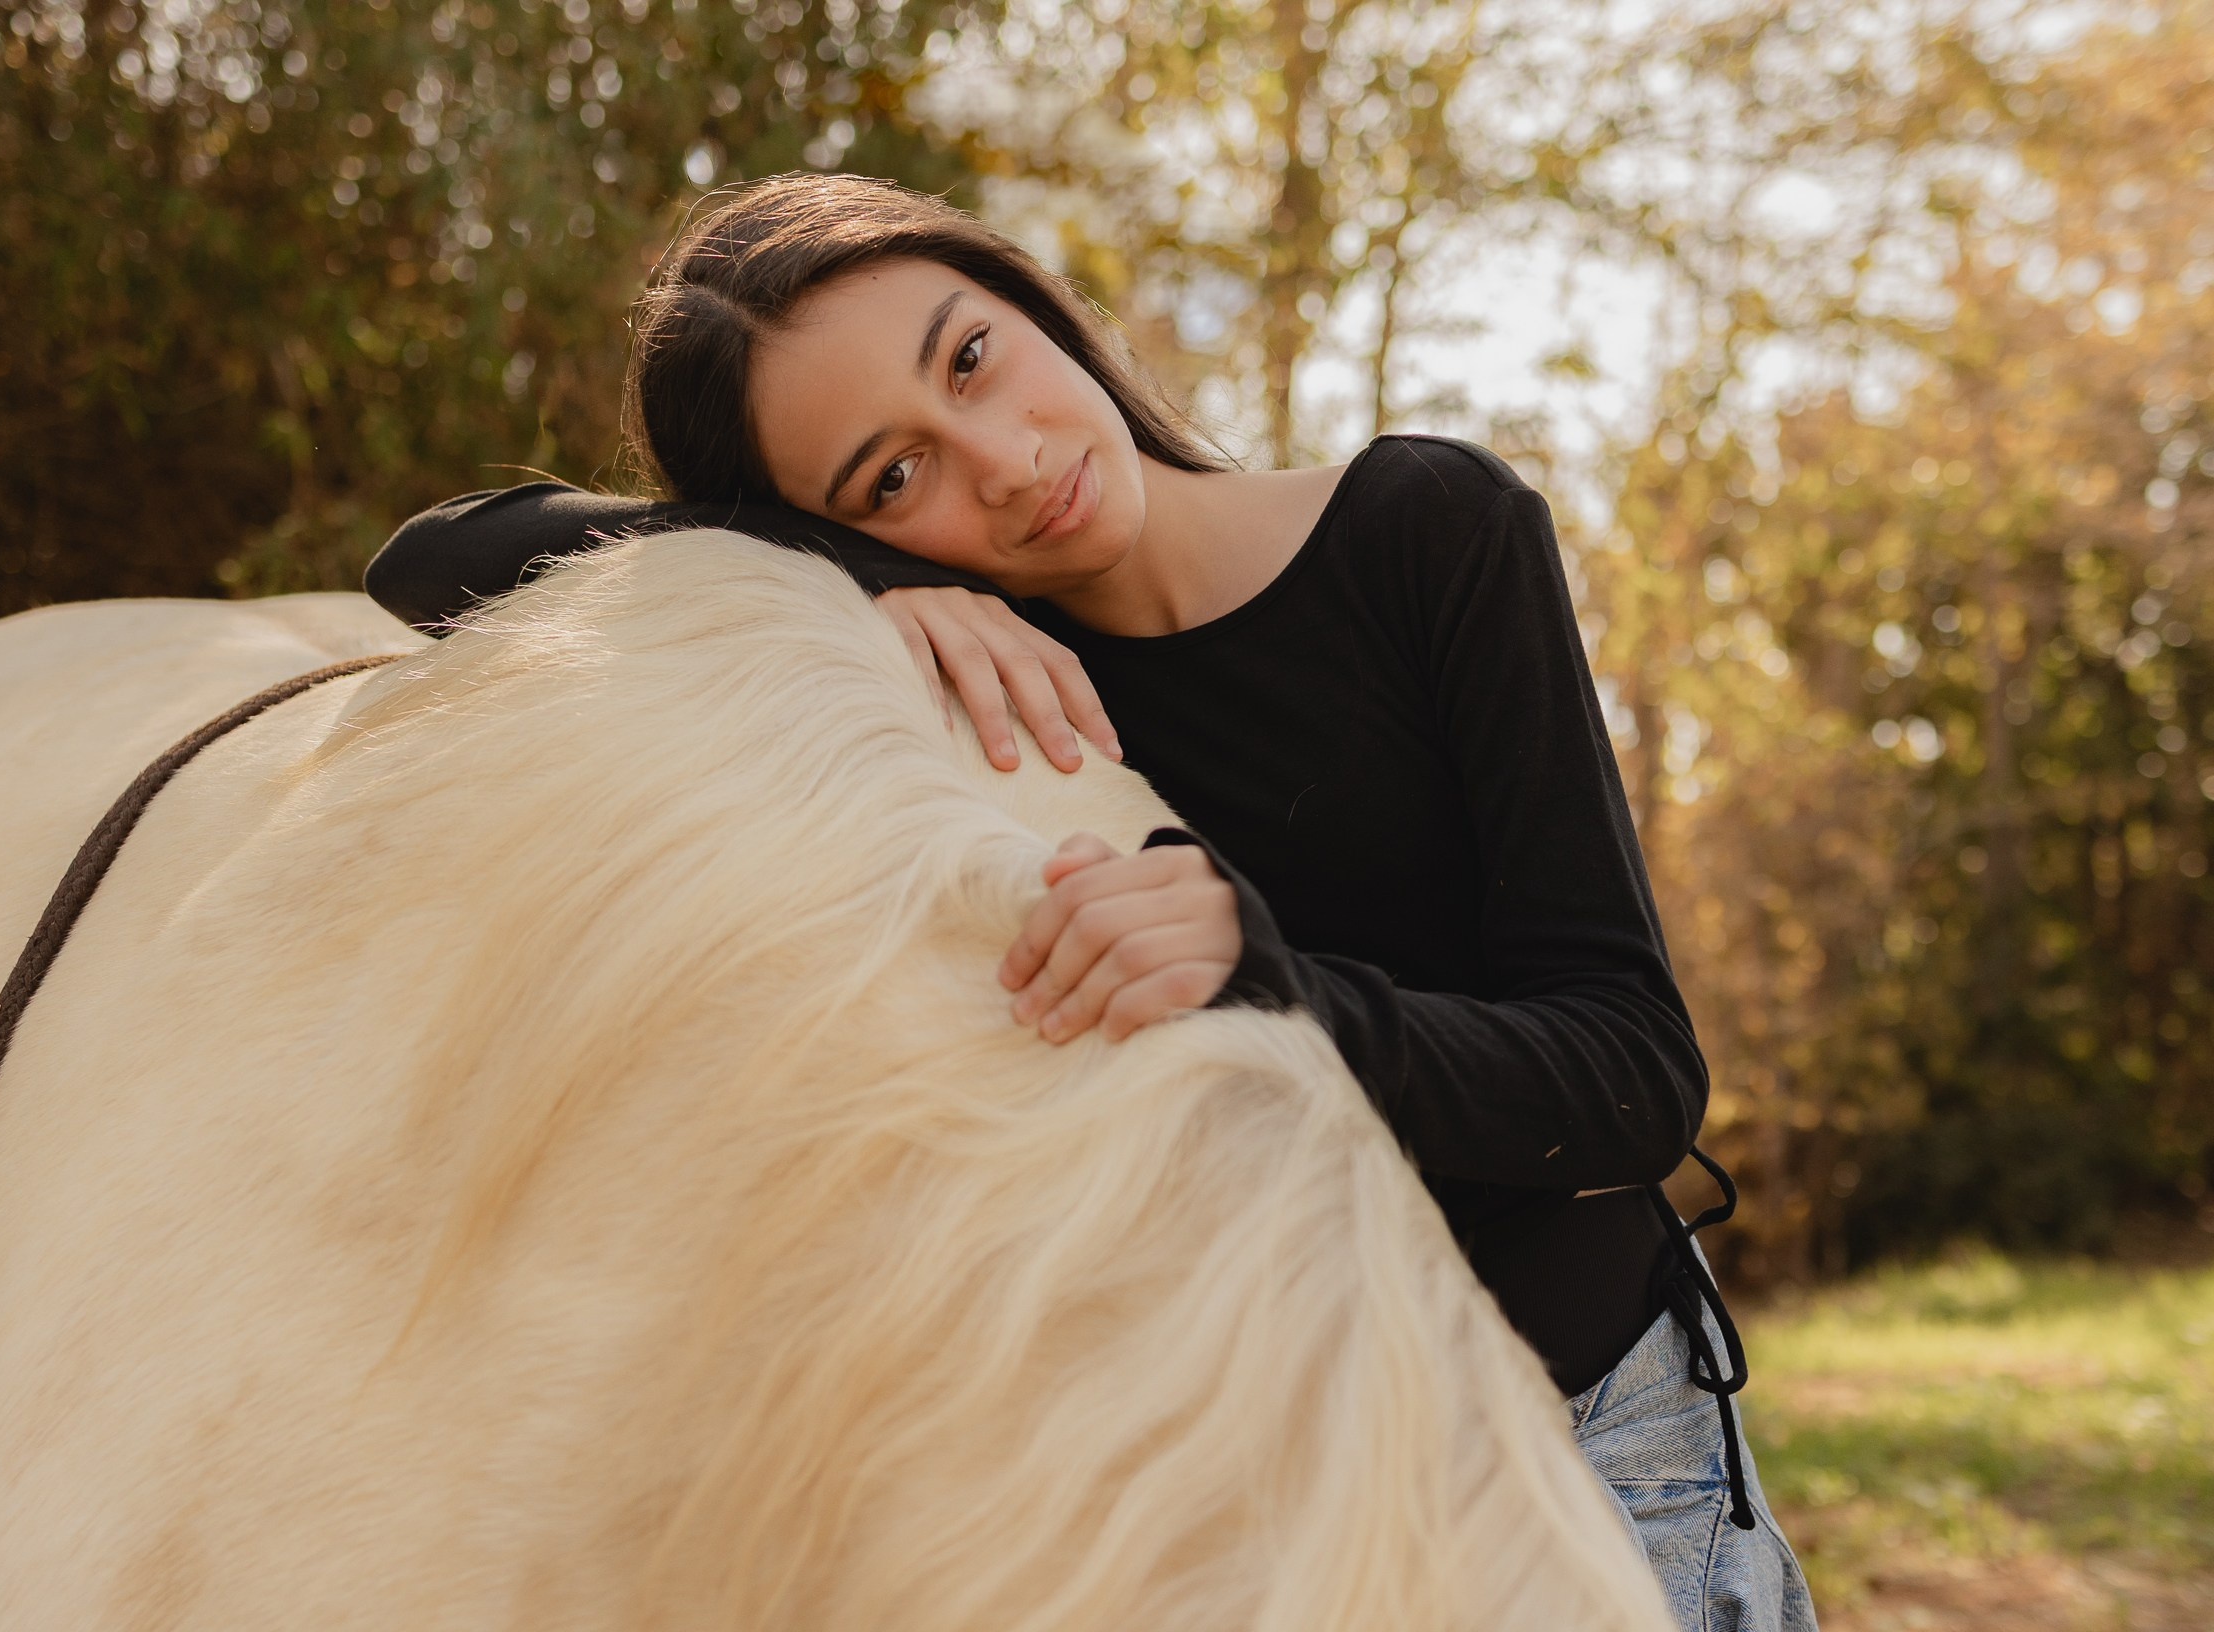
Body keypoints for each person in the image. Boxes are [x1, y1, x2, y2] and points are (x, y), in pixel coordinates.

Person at [363, 172, 1817, 1631]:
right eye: (891, 475)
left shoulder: (1430, 529)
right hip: (1243, 1505)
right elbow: (430, 564)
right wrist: (838, 573)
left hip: (1596, 1457)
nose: (998, 463)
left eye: (971, 357)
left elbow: (1634, 1075)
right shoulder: (989, 706)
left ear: (1030, 302)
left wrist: (1280, 991)